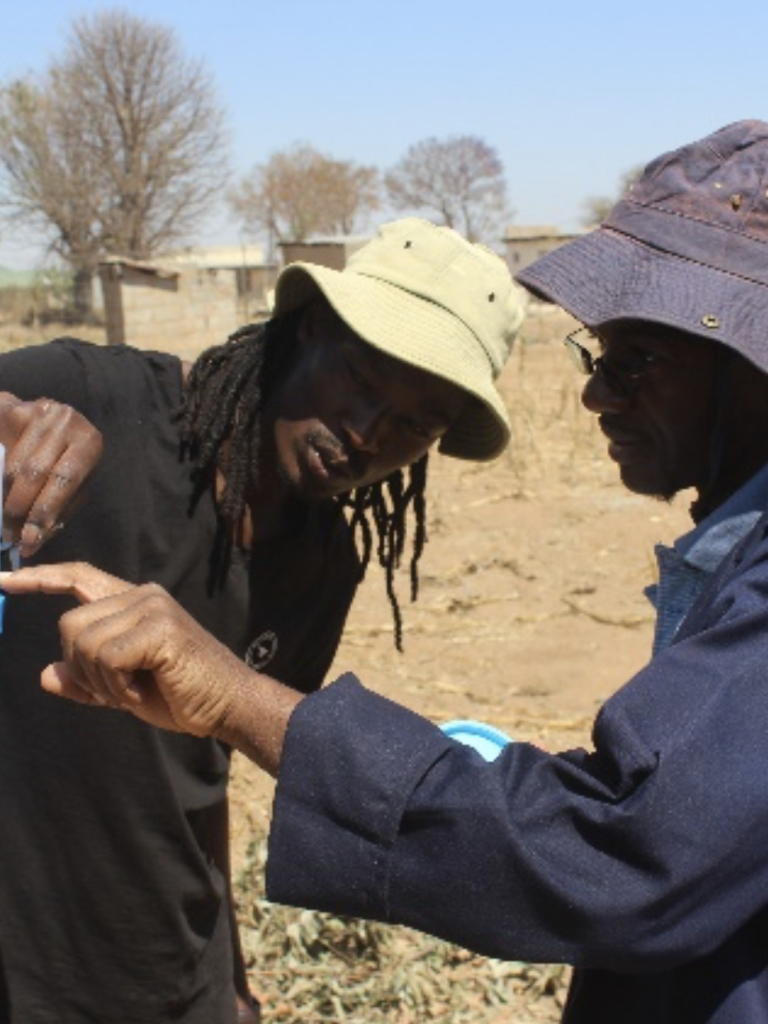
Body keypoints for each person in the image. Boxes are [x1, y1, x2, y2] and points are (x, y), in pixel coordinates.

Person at [0, 217, 525, 1024]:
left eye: (415, 423)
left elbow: (206, 772)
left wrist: (232, 980)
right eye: (360, 377)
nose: (367, 433)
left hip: (165, 971)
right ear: (309, 327)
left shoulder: (325, 567)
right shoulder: (89, 405)